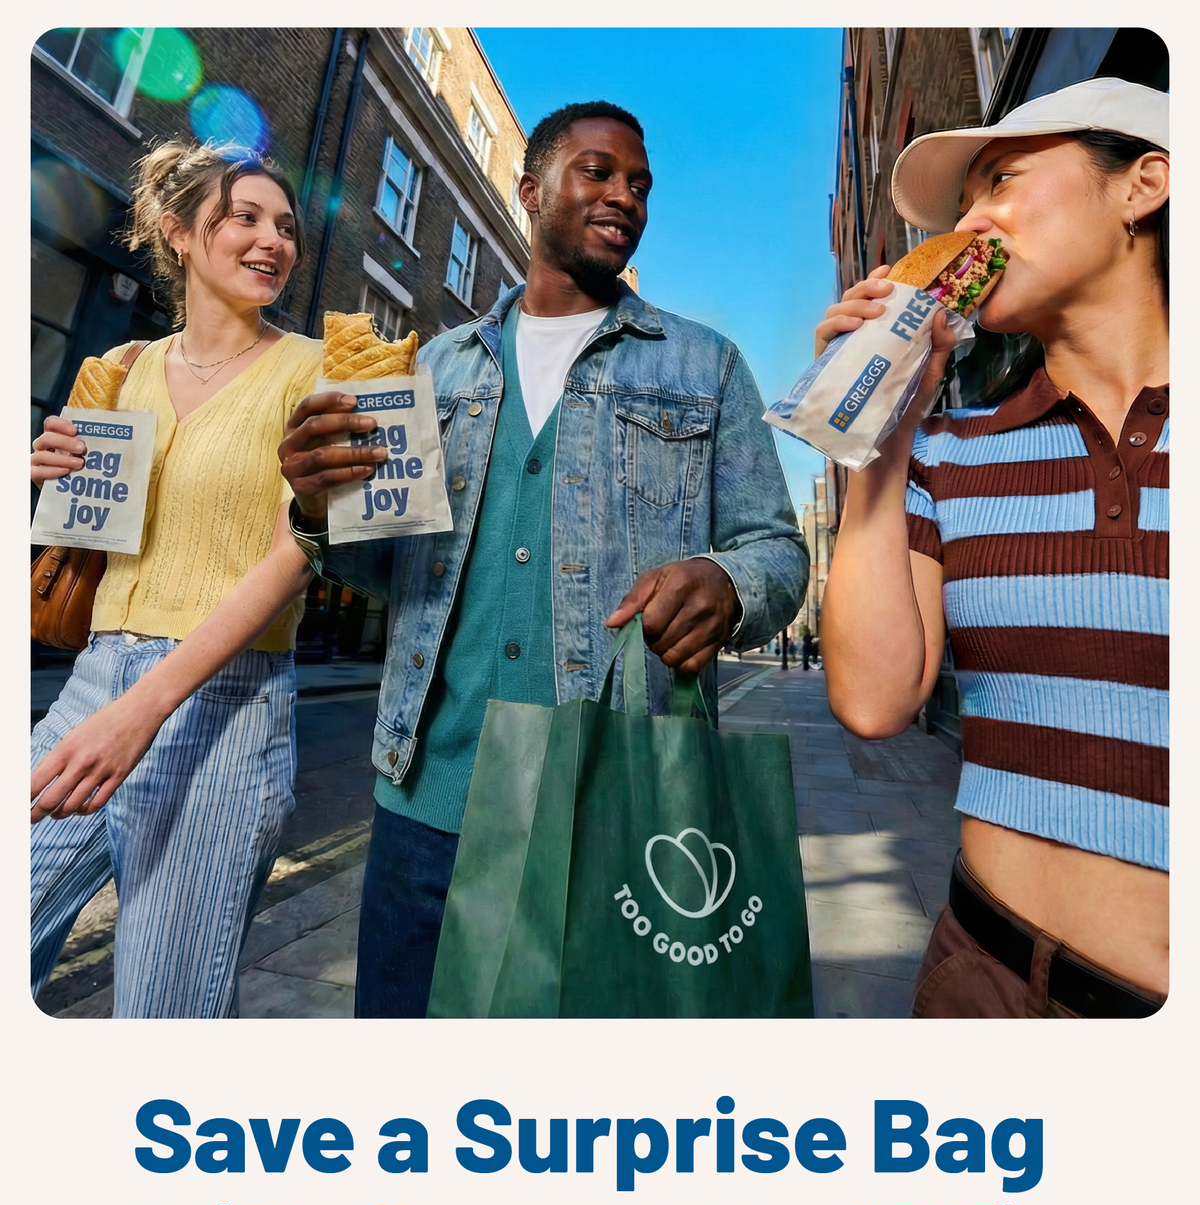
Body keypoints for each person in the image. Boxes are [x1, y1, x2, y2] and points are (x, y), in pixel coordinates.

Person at [280, 100, 807, 1018]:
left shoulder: (704, 366)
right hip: (424, 813)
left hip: (609, 806)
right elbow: (384, 573)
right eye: (597, 172)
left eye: (639, 184)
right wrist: (320, 509)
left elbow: (778, 550)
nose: (624, 197)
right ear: (530, 192)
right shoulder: (434, 369)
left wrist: (730, 581)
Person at [817, 78, 1168, 1018]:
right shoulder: (950, 453)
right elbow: (874, 699)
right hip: (985, 982)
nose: (972, 222)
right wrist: (879, 432)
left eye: (1001, 181)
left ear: (1142, 186)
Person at [30, 140, 332, 1018]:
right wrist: (40, 483)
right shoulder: (119, 371)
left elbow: (298, 552)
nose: (273, 240)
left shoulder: (317, 369)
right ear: (181, 236)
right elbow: (75, 541)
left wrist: (147, 707)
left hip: (224, 712)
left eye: (286, 227)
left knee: (165, 1016)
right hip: (91, 686)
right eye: (244, 218)